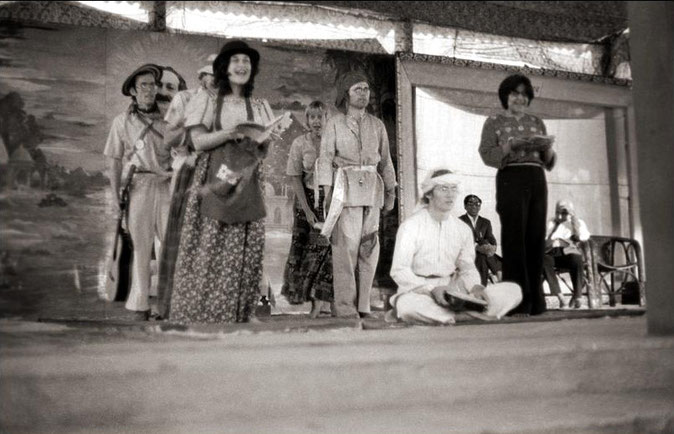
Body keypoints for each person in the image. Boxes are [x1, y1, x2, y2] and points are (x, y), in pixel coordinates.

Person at [168, 40, 276, 324]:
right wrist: (229, 133)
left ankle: (241, 313)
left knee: (246, 247)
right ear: (224, 68)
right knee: (211, 245)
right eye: (236, 60)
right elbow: (197, 141)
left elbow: (264, 151)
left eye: (247, 62)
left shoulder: (259, 105)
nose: (242, 66)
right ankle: (205, 314)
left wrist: (261, 141)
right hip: (215, 176)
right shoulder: (205, 100)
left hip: (248, 179)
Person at [389, 169, 521, 325]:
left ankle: (451, 317)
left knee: (513, 290)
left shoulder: (462, 229)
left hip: (456, 291)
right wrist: (431, 289)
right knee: (408, 307)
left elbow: (468, 268)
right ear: (429, 194)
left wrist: (476, 288)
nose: (450, 194)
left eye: (453, 189)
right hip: (419, 291)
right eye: (443, 188)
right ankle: (467, 317)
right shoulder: (411, 226)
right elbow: (399, 270)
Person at [317, 71, 397, 318]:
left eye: (366, 89)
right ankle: (344, 307)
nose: (364, 93)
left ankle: (363, 305)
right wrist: (327, 193)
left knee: (369, 247)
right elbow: (326, 158)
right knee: (346, 249)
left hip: (372, 190)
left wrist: (391, 192)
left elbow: (386, 161)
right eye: (357, 89)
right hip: (346, 190)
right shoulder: (334, 123)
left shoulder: (377, 125)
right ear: (346, 94)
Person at [478, 73, 557, 317]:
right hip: (511, 178)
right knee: (514, 241)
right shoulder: (494, 121)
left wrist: (547, 147)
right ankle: (517, 301)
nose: (519, 98)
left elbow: (549, 162)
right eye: (514, 93)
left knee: (535, 239)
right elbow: (487, 154)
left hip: (536, 178)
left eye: (524, 94)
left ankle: (537, 302)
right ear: (506, 96)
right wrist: (510, 146)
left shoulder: (537, 122)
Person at [103, 64, 172, 321]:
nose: (150, 90)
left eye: (153, 85)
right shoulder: (121, 122)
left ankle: (168, 305)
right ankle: (140, 304)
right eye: (143, 85)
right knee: (142, 249)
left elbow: (183, 150)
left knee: (169, 247)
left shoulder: (169, 118)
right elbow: (114, 161)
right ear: (133, 90)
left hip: (166, 186)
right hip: (138, 188)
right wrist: (114, 197)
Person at [156, 56, 216, 319]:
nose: (217, 81)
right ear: (202, 76)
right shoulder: (185, 98)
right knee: (181, 239)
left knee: (212, 240)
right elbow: (168, 138)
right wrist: (196, 137)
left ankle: (206, 304)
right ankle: (172, 306)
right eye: (213, 75)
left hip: (216, 175)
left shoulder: (229, 104)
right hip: (188, 171)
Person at [281, 101, 334, 318]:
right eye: (312, 117)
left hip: (331, 200)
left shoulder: (334, 142)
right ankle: (314, 301)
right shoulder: (299, 143)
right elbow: (294, 178)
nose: (316, 121)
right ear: (307, 120)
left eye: (320, 116)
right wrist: (308, 210)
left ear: (327, 118)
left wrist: (331, 203)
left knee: (327, 250)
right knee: (307, 251)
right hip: (306, 200)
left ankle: (323, 302)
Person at [543, 200, 591, 309]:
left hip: (569, 252)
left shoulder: (577, 222)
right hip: (552, 253)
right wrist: (552, 236)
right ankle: (560, 298)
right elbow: (544, 238)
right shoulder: (551, 222)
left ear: (571, 212)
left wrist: (574, 222)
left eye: (563, 213)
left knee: (576, 258)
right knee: (544, 259)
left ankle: (578, 297)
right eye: (557, 212)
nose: (560, 216)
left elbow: (582, 237)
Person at [459, 194, 501, 286]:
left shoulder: (485, 222)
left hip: (483, 254)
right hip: (467, 253)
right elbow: (459, 241)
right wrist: (477, 247)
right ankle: (497, 273)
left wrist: (492, 247)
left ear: (480, 207)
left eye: (477, 204)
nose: (474, 206)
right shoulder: (459, 221)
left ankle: (482, 286)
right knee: (483, 248)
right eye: (470, 203)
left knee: (483, 253)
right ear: (465, 206)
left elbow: (491, 238)